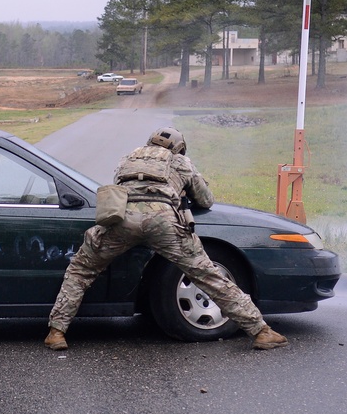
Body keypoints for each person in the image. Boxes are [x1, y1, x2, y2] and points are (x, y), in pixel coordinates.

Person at [45, 127, 288, 352]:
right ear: (178, 147)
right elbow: (205, 199)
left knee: (81, 270)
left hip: (121, 220)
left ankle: (57, 332)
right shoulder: (180, 161)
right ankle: (261, 331)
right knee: (208, 275)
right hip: (163, 222)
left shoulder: (128, 158)